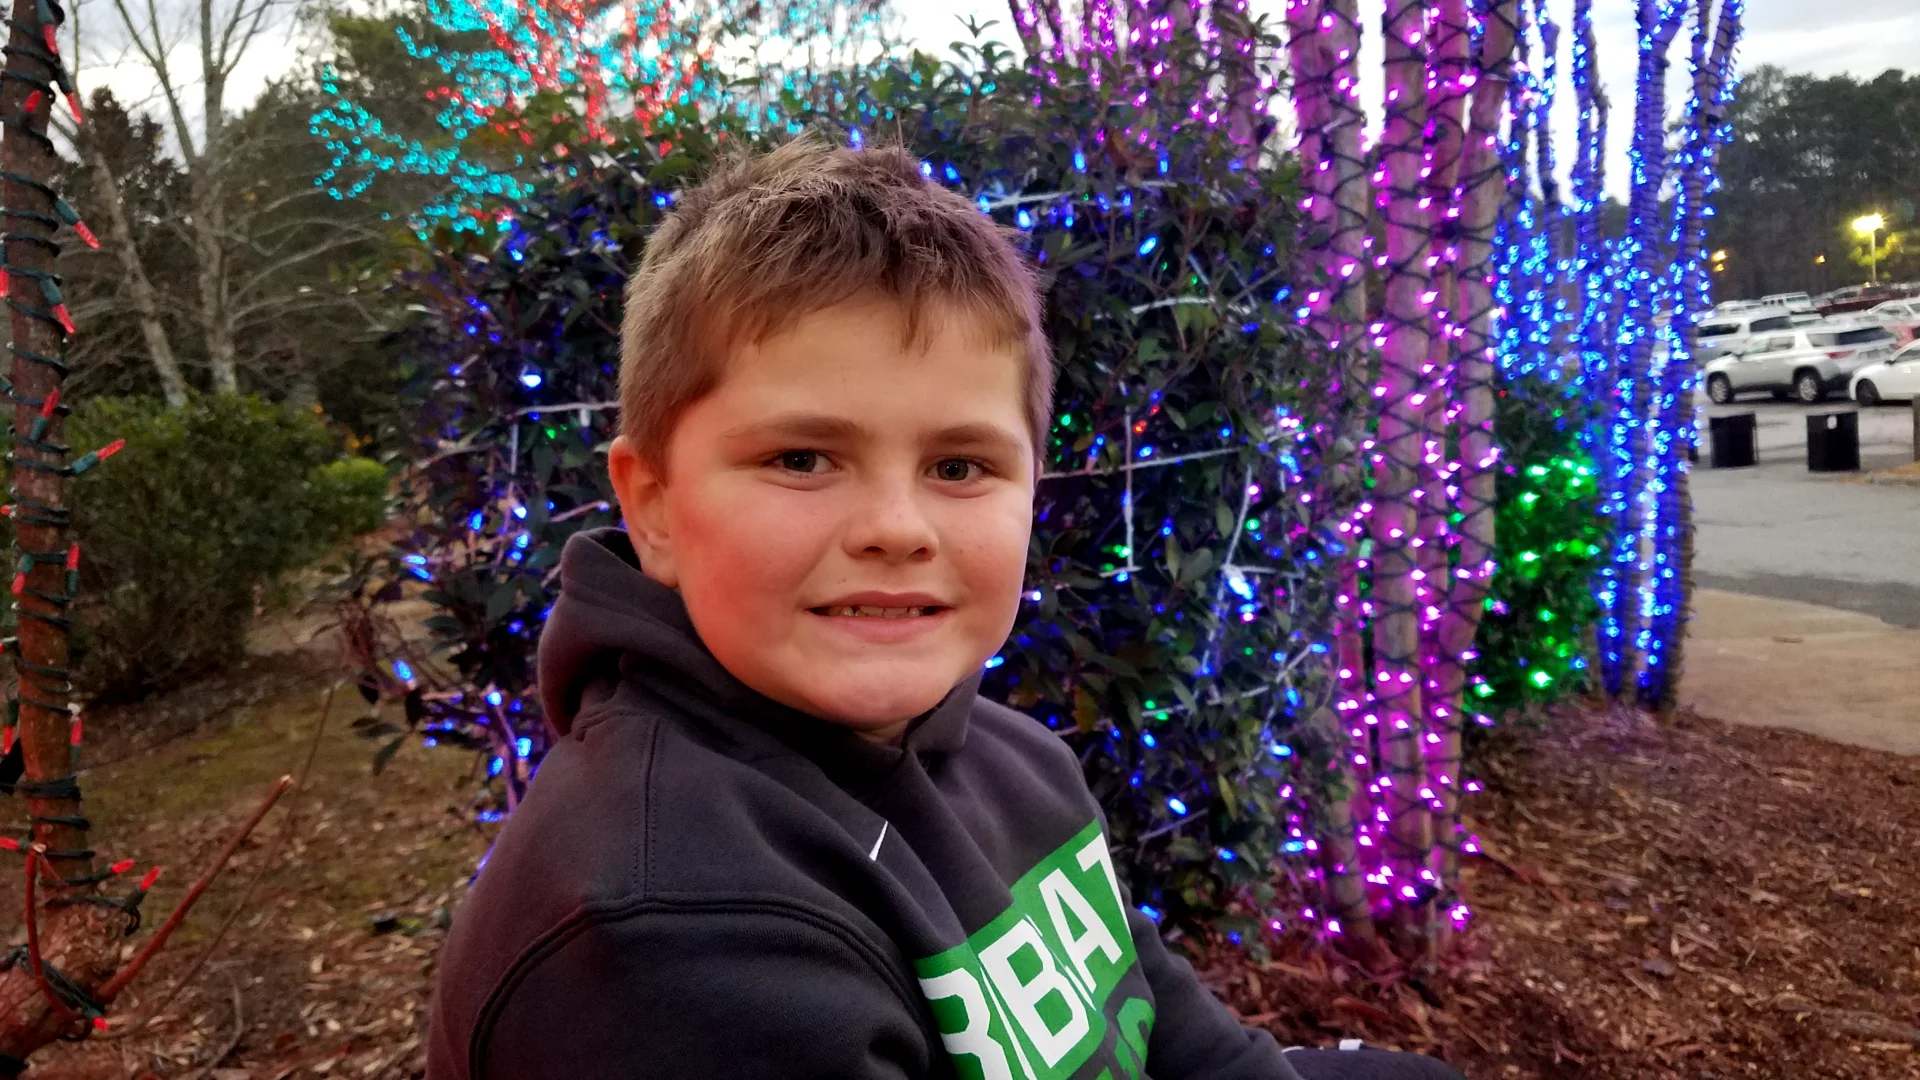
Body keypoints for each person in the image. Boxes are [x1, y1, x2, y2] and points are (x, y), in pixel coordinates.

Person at [425, 135, 1467, 1080]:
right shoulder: (671, 934)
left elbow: (1184, 1040)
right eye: (802, 457)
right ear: (653, 505)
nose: (897, 527)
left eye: (960, 466)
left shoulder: (1017, 765)